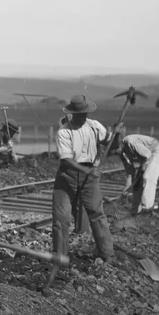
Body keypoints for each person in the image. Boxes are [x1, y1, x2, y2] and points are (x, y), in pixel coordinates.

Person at [48, 95, 123, 277]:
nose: (83, 116)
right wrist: (87, 171)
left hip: (90, 176)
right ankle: (60, 258)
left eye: (85, 113)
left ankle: (107, 254)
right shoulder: (64, 132)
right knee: (61, 218)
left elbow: (111, 143)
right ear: (72, 113)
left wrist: (117, 134)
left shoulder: (95, 126)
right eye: (79, 114)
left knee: (97, 214)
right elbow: (66, 159)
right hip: (67, 176)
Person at [119, 134, 159, 215]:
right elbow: (130, 173)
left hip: (155, 152)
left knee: (147, 178)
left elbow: (148, 155)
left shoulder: (130, 142)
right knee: (137, 184)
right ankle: (135, 211)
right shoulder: (122, 154)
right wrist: (126, 191)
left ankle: (148, 208)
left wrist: (143, 168)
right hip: (146, 158)